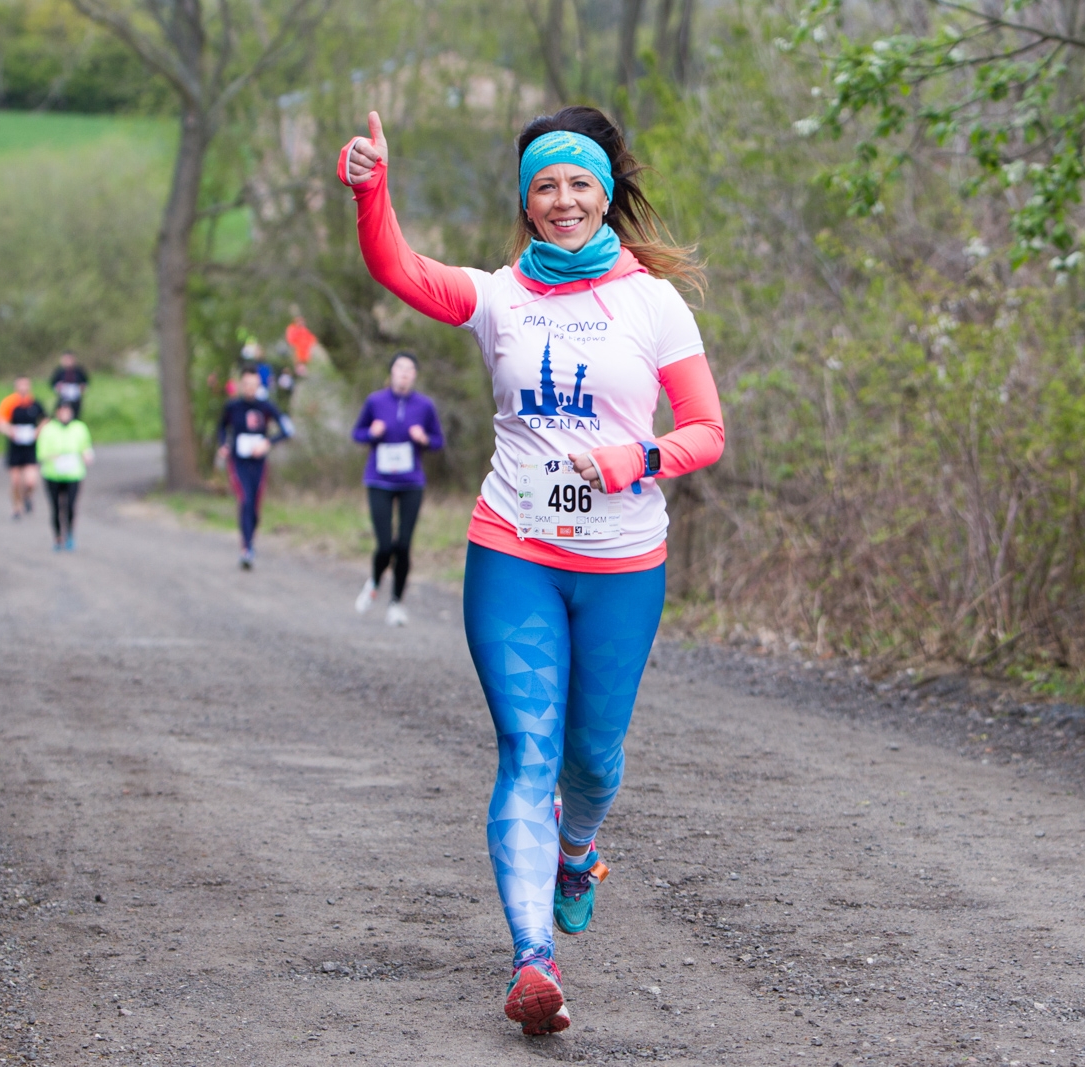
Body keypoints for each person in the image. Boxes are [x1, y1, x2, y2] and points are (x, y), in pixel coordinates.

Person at [340, 106, 724, 1036]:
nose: (562, 201)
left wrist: (639, 460)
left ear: (607, 196)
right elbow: (398, 268)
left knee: (592, 762)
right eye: (545, 187)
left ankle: (578, 849)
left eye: (579, 184)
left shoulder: (652, 303)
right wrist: (371, 190)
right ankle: (532, 961)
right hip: (512, 548)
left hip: (623, 563)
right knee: (528, 751)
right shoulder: (498, 296)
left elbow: (707, 431)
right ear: (527, 201)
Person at [351, 351, 444, 626]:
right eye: (400, 368)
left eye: (410, 369)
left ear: (415, 375)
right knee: (384, 544)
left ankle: (396, 603)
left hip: (411, 482)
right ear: (391, 372)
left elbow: (439, 442)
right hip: (379, 480)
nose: (404, 373)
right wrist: (371, 433)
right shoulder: (375, 401)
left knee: (403, 545)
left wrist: (423, 438)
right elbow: (356, 433)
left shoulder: (425, 405)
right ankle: (374, 583)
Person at [217, 368, 292, 569]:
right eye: (247, 384)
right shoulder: (233, 406)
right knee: (245, 500)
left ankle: (250, 537)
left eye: (254, 384)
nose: (250, 388)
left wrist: (268, 442)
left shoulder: (266, 407)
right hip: (238, 461)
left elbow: (287, 430)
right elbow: (221, 427)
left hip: (259, 463)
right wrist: (223, 445)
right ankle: (246, 548)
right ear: (241, 385)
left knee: (255, 506)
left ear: (259, 386)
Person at [35, 401, 93, 551]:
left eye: (67, 411)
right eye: (61, 411)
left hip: (74, 474)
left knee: (70, 506)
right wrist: (51, 456)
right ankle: (57, 536)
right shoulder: (48, 429)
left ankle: (70, 534)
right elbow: (41, 453)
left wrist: (87, 455)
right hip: (53, 474)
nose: (64, 414)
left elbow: (86, 446)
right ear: (57, 413)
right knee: (55, 507)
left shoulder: (79, 428)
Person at [0, 376, 47, 520]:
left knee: (31, 481)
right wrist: (10, 431)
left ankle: (27, 496)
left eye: (26, 385)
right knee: (15, 481)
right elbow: (1, 422)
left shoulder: (34, 403)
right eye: (21, 385)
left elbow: (45, 419)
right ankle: (16, 507)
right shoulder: (9, 402)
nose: (23, 388)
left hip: (30, 447)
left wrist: (38, 431)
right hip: (15, 446)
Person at [49, 352, 90, 418]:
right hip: (63, 396)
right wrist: (57, 387)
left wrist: (82, 388)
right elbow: (52, 383)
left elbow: (86, 382)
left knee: (76, 414)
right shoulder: (59, 371)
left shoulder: (79, 371)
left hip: (76, 396)